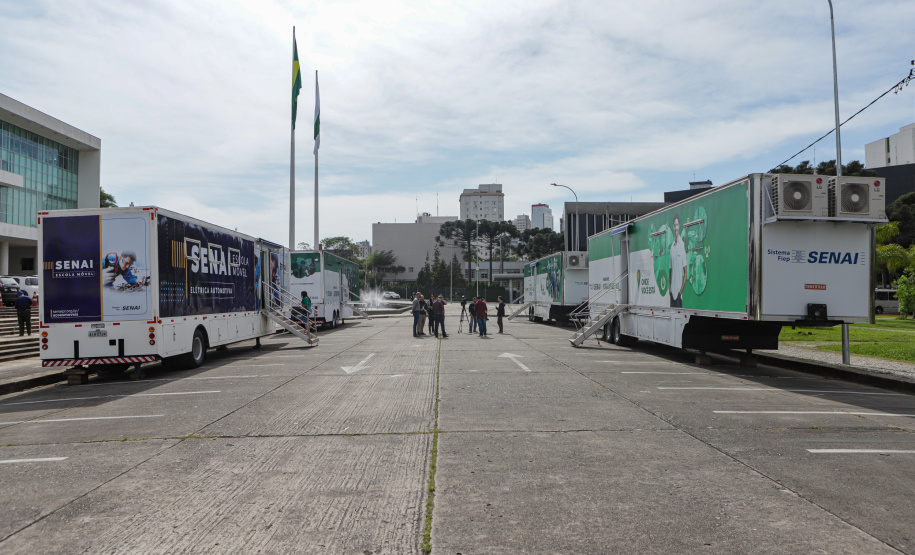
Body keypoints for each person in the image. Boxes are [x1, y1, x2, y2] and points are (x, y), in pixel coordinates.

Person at [669, 212, 688, 308]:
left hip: (679, 295)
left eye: (677, 224)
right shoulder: (672, 247)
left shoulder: (682, 245)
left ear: (679, 226)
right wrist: (669, 287)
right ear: (673, 226)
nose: (676, 227)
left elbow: (686, 272)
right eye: (674, 225)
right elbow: (670, 270)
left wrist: (681, 291)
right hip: (672, 294)